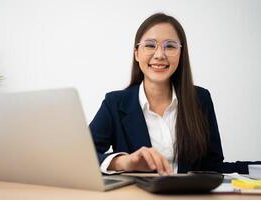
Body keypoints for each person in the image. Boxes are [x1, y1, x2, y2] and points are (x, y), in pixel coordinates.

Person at [89, 13, 260, 175]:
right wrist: (125, 162)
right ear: (136, 54)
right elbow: (83, 156)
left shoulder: (200, 99)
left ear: (181, 54)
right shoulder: (115, 103)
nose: (160, 55)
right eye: (150, 45)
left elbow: (212, 167)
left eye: (170, 46)